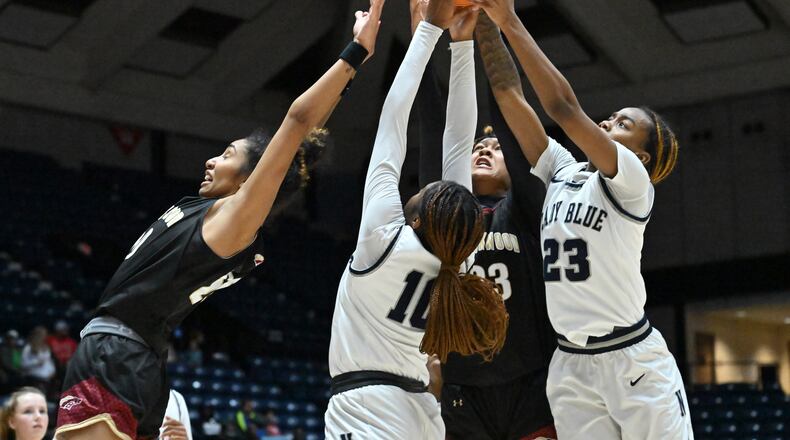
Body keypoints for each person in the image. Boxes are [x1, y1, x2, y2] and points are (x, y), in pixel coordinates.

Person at [54, 3, 385, 439]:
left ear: (252, 176)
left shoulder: (234, 219)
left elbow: (296, 120)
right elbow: (302, 136)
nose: (212, 160)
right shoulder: (220, 215)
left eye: (228, 154)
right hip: (140, 355)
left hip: (118, 351)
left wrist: (356, 52)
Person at [469, 0, 689, 438]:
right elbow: (511, 97)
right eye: (612, 116)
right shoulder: (564, 172)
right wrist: (484, 22)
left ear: (640, 155)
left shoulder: (631, 185)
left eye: (623, 123)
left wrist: (510, 19)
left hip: (630, 357)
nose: (608, 121)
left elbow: (564, 109)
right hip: (570, 362)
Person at [324, 1, 508, 438]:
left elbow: (398, 123)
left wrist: (430, 33)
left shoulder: (387, 242)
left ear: (422, 218)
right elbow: (456, 147)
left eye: (422, 193)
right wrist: (460, 45)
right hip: (419, 411)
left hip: (369, 408)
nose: (419, 186)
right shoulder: (454, 264)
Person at [411, 4, 557, 437]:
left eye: (493, 149)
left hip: (530, 382)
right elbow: (430, 122)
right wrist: (423, 31)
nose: (482, 149)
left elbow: (511, 120)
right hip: (461, 388)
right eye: (476, 146)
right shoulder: (447, 216)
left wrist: (488, 25)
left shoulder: (526, 207)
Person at [20, 327, 55, 395]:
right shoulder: (28, 348)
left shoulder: (46, 347)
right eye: (42, 334)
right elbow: (23, 364)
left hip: (46, 379)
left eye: (45, 334)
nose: (44, 336)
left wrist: (52, 371)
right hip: (33, 379)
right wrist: (36, 363)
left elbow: (49, 362)